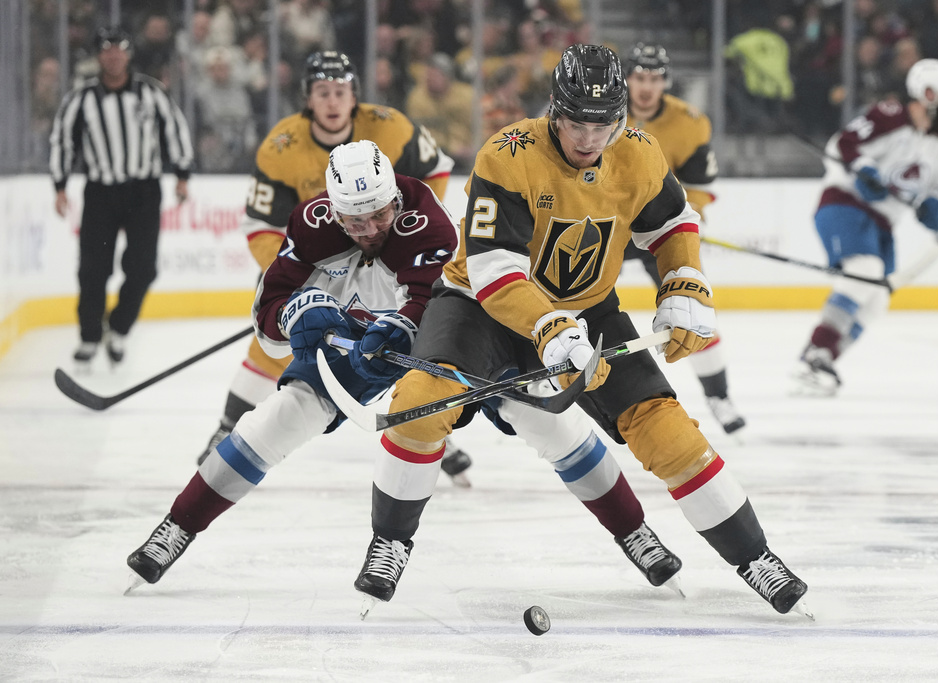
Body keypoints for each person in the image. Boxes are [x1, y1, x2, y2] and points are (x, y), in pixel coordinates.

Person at [349, 44, 810, 618]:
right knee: (420, 403)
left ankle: (756, 557)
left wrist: (684, 281)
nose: (590, 139)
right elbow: (494, 269)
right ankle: (390, 542)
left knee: (666, 431)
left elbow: (673, 222)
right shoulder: (508, 154)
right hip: (479, 306)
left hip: (586, 310)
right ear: (554, 110)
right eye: (577, 124)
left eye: (603, 125)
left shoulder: (639, 152)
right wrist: (549, 327)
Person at [125, 140, 685, 597]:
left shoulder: (430, 224)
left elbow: (432, 309)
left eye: (380, 214)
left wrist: (397, 327)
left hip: (452, 339)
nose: (371, 228)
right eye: (355, 220)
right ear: (334, 211)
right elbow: (266, 321)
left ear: (395, 198)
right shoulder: (311, 224)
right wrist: (300, 313)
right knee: (280, 417)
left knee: (548, 421)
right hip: (354, 343)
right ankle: (176, 528)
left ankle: (635, 532)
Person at [196, 50, 459, 466]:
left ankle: (422, 423)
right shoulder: (281, 145)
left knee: (403, 331)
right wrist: (297, 276)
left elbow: (436, 170)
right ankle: (227, 427)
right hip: (316, 261)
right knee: (275, 344)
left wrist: (407, 237)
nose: (332, 101)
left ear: (355, 96)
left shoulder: (391, 127)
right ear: (308, 99)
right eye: (323, 92)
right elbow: (261, 223)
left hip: (387, 256)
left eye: (341, 92)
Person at [792, 58, 938, 396]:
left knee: (877, 299)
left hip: (882, 223)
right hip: (844, 204)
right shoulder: (889, 115)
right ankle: (816, 351)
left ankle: (822, 361)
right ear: (928, 92)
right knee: (864, 272)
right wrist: (864, 169)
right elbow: (844, 144)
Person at [49, 25, 193, 367]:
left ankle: (118, 328)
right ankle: (89, 335)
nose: (113, 56)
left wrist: (182, 175)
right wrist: (60, 185)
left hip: (144, 191)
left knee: (143, 268)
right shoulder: (82, 98)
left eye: (120, 49)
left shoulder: (151, 92)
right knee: (93, 268)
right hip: (101, 193)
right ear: (99, 56)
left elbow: (175, 129)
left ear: (128, 54)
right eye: (106, 49)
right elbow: (63, 140)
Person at [621, 42, 746, 436]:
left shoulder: (690, 123)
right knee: (570, 296)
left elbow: (697, 187)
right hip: (607, 227)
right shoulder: (600, 113)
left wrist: (691, 220)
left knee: (691, 309)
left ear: (666, 82)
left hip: (659, 227)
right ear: (627, 79)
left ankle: (719, 397)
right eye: (639, 77)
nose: (646, 87)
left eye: (655, 78)